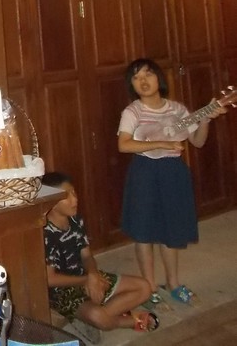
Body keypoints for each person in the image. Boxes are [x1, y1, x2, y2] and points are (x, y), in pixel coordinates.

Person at [117, 58, 227, 308]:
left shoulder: (177, 110)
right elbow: (124, 144)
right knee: (144, 232)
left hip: (173, 171)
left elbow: (198, 141)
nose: (143, 81)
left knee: (172, 228)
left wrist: (206, 119)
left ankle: (174, 284)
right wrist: (161, 143)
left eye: (148, 74)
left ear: (159, 77)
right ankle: (149, 287)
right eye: (136, 78)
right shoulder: (132, 112)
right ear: (132, 85)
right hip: (144, 171)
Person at [43, 171, 157, 343]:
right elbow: (50, 279)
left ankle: (96, 317)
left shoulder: (75, 220)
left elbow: (87, 255)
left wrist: (93, 274)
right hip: (63, 291)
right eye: (67, 196)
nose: (75, 200)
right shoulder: (46, 233)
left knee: (144, 287)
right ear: (51, 202)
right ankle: (128, 321)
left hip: (86, 277)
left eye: (74, 192)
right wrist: (86, 280)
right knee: (98, 316)